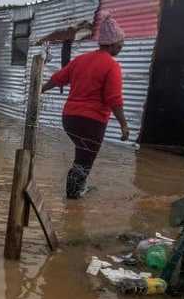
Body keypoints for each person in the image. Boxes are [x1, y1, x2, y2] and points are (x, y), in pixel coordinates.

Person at [40, 14, 129, 198]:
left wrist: (40, 89)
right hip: (92, 122)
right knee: (84, 159)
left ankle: (78, 191)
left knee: (82, 155)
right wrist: (124, 124)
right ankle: (73, 201)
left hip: (70, 119)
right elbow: (114, 99)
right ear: (112, 44)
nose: (122, 47)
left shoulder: (81, 60)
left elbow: (57, 79)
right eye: (121, 43)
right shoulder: (112, 66)